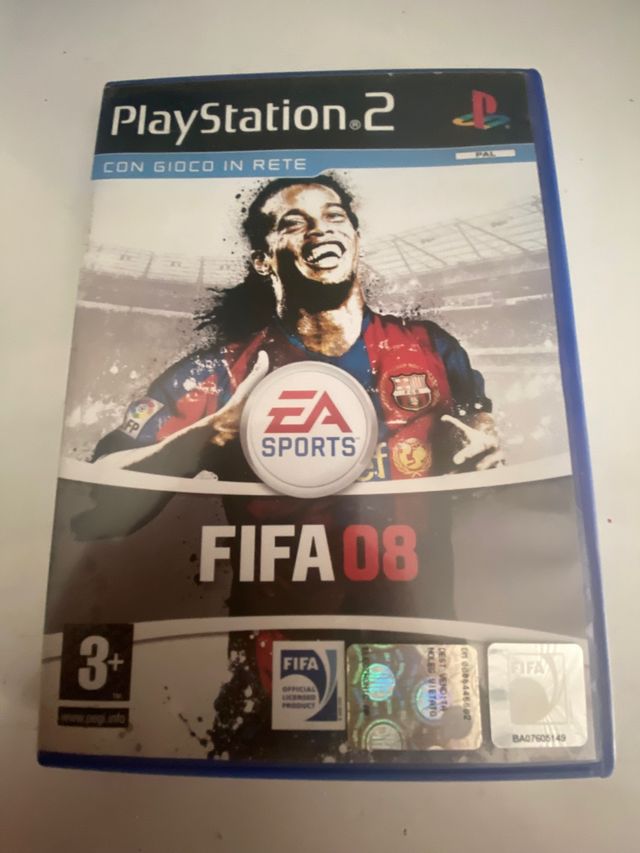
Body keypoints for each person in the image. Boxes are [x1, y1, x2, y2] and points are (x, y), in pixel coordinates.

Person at [79, 174, 503, 761]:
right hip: (284, 672)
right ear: (263, 259)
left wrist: (483, 444)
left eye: (334, 216)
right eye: (294, 223)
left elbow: (479, 420)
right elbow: (100, 505)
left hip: (419, 657)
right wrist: (209, 435)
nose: (320, 230)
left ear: (355, 236)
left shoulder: (430, 349)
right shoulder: (220, 374)